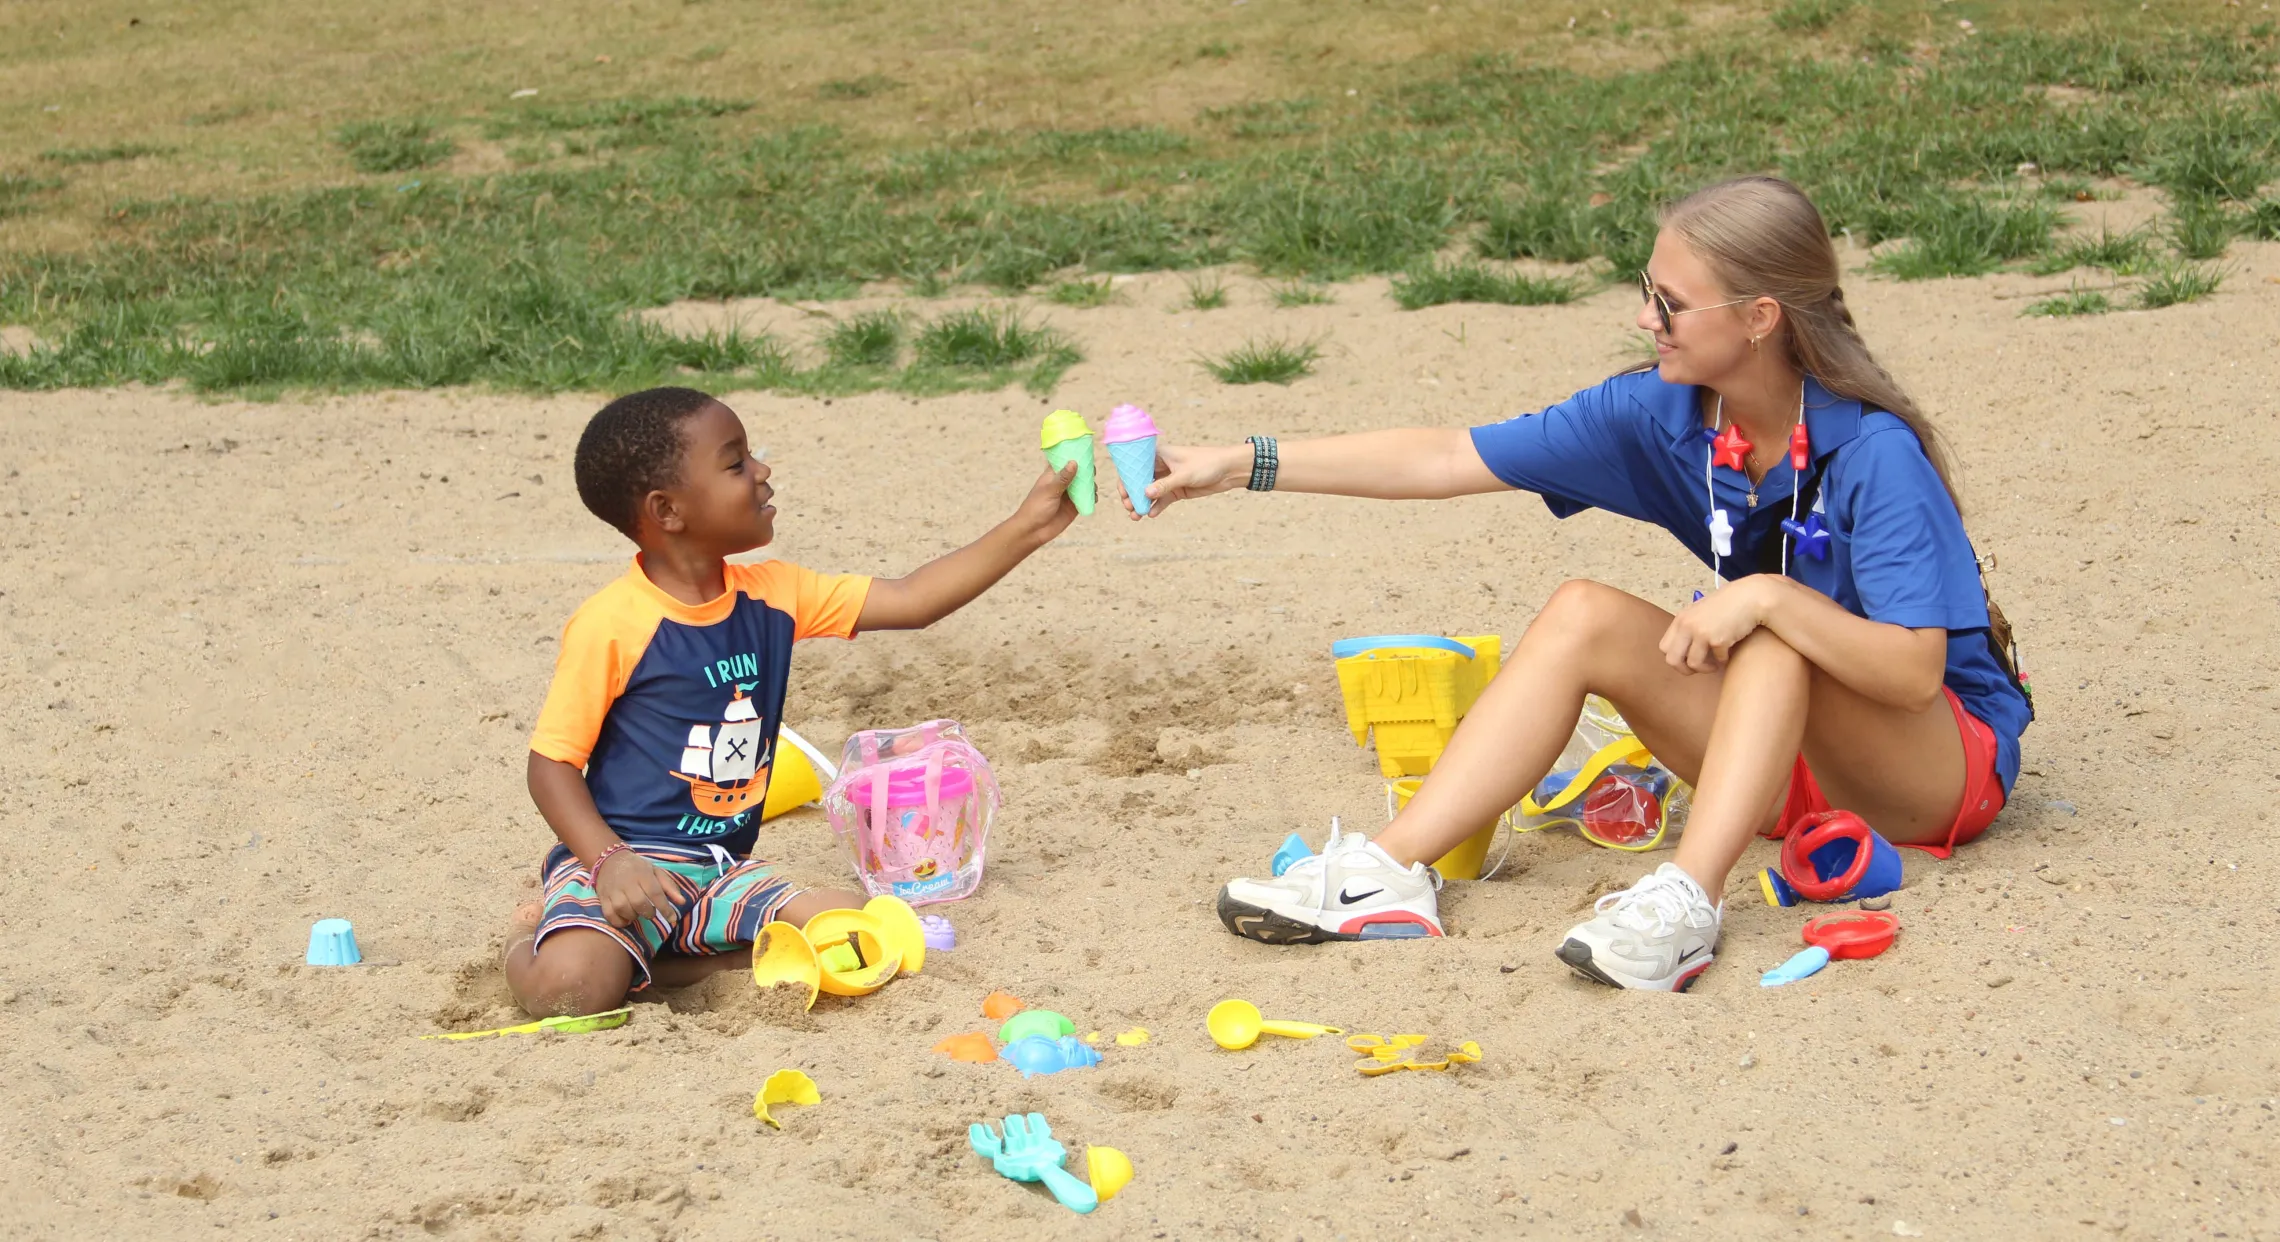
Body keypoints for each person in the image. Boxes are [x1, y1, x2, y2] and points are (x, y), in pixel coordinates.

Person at [1116, 176, 2030, 992]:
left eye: (1670, 304)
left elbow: (1915, 674)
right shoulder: (1658, 411)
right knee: (1584, 612)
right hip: (1783, 763)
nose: (1647, 321)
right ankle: (1388, 874)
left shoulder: (1875, 452)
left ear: (1759, 317)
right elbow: (1446, 456)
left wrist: (1771, 598)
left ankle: (1686, 905)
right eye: (1647, 293)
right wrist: (1241, 463)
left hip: (1934, 769)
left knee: (1775, 629)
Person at [504, 387, 1081, 1016]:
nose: (762, 471)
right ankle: (525, 935)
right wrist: (609, 860)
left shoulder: (774, 594)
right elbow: (550, 765)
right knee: (572, 990)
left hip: (720, 870)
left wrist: (1029, 527)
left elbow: (913, 600)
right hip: (623, 866)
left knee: (860, 925)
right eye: (735, 463)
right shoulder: (612, 624)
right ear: (667, 509)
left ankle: (673, 965)